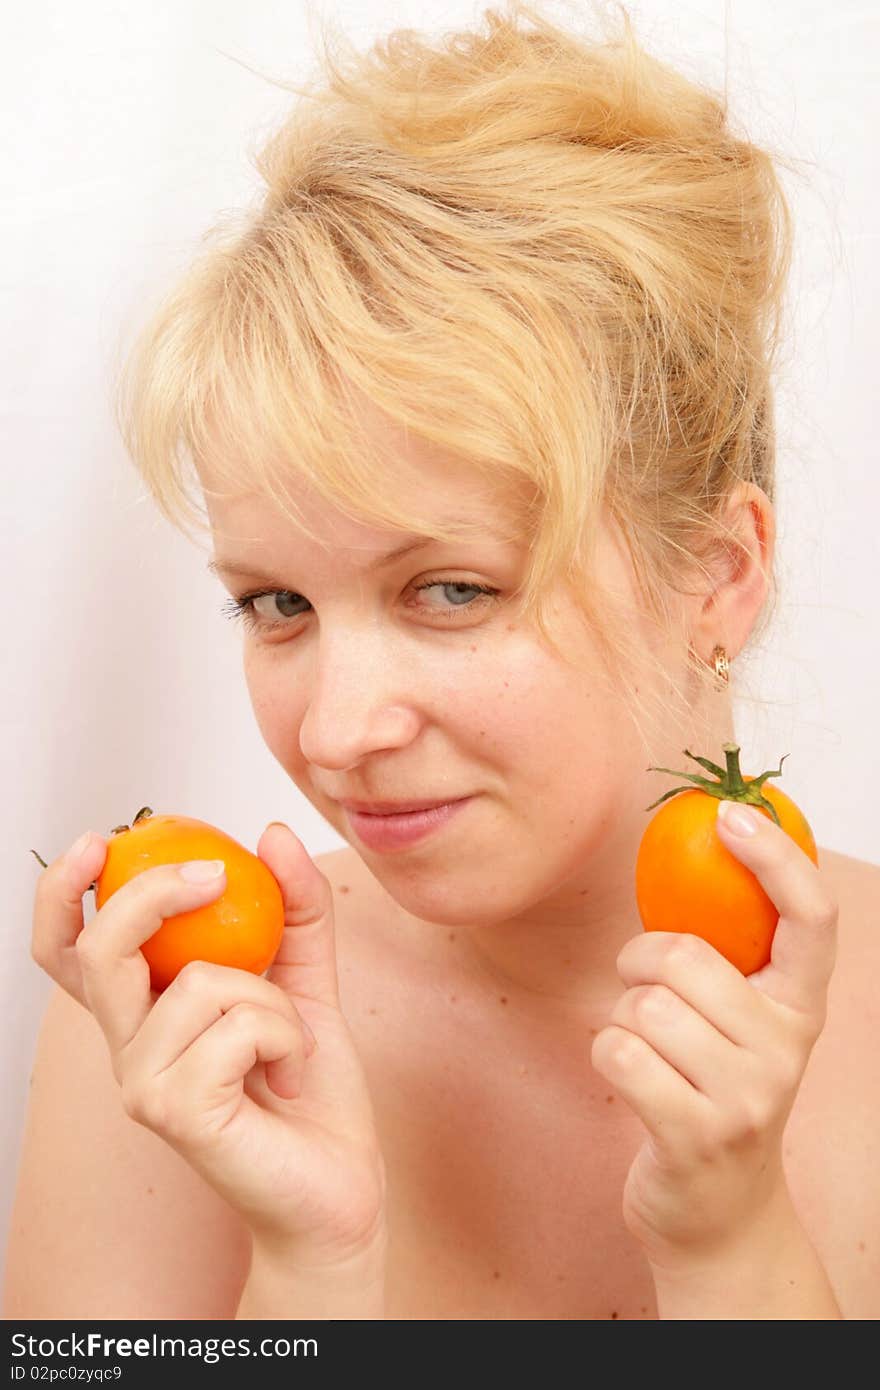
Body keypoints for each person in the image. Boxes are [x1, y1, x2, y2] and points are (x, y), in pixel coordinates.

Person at [5, 1, 877, 1320]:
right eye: (278, 601)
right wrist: (310, 1269)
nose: (340, 730)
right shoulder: (174, 1033)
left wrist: (731, 1245)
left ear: (720, 572)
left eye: (450, 590)